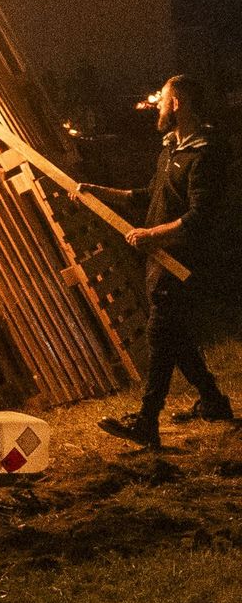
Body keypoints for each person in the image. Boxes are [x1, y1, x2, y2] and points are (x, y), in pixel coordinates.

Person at [89, 74, 235, 447]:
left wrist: (152, 235)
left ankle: (147, 420)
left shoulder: (206, 153)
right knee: (177, 336)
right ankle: (215, 403)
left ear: (179, 102)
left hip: (185, 262)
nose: (157, 105)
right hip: (161, 259)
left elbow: (199, 216)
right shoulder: (170, 148)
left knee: (159, 332)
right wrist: (96, 193)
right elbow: (145, 196)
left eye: (163, 98)